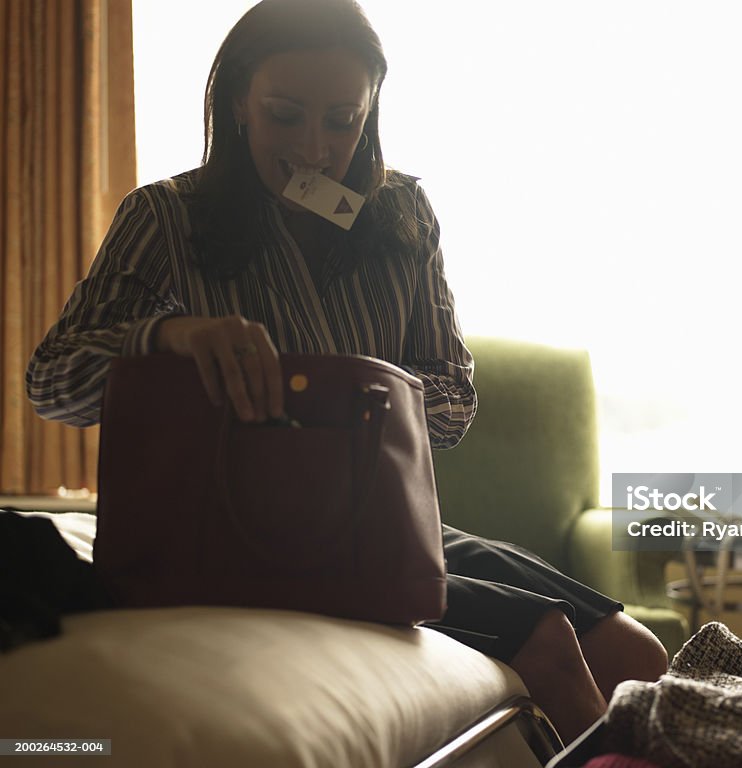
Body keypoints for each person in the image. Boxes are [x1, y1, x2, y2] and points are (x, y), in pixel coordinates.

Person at [25, 0, 667, 742]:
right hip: (248, 530)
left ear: (370, 111)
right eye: (285, 115)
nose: (314, 149)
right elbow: (52, 382)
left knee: (636, 652)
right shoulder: (167, 217)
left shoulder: (403, 216)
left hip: (378, 523)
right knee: (549, 645)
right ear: (239, 101)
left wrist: (366, 402)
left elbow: (456, 400)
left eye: (341, 120)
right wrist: (169, 336)